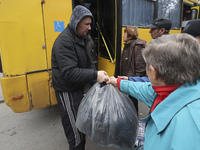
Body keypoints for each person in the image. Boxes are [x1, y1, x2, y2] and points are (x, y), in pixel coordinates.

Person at [107, 33, 200, 150]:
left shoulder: (190, 130)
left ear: (154, 72)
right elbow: (147, 90)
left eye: (148, 67)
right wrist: (120, 83)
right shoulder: (175, 88)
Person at [51, 5, 108, 150]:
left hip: (77, 88)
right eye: (87, 24)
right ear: (76, 22)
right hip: (67, 91)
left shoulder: (82, 38)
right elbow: (69, 73)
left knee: (81, 124)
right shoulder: (64, 41)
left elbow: (88, 65)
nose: (90, 28)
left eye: (90, 24)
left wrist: (99, 82)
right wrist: (96, 74)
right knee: (75, 132)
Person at [120, 26, 146, 113]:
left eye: (125, 34)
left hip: (132, 81)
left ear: (130, 36)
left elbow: (140, 67)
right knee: (126, 104)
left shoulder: (137, 47)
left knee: (132, 105)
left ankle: (133, 122)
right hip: (126, 79)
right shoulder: (127, 46)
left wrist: (134, 81)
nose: (123, 36)